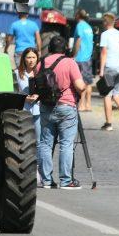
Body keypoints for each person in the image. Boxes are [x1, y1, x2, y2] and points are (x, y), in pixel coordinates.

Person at [37, 35, 87, 190]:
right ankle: (66, 181)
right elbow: (80, 86)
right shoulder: (69, 62)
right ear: (65, 48)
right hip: (66, 106)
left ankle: (46, 180)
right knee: (66, 143)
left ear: (49, 48)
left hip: (46, 106)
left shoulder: (42, 62)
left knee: (46, 143)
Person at [15, 48, 41, 140]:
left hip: (39, 110)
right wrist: (24, 98)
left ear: (37, 58)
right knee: (25, 139)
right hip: (23, 110)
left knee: (39, 140)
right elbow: (14, 92)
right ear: (24, 59)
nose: (31, 60)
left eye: (34, 57)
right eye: (28, 57)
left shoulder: (41, 72)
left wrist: (38, 96)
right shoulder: (17, 73)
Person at [72, 9, 94, 111]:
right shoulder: (88, 27)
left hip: (80, 57)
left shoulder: (79, 26)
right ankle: (88, 105)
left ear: (78, 15)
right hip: (88, 57)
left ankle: (81, 105)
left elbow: (79, 39)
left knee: (81, 82)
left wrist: (74, 54)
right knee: (88, 82)